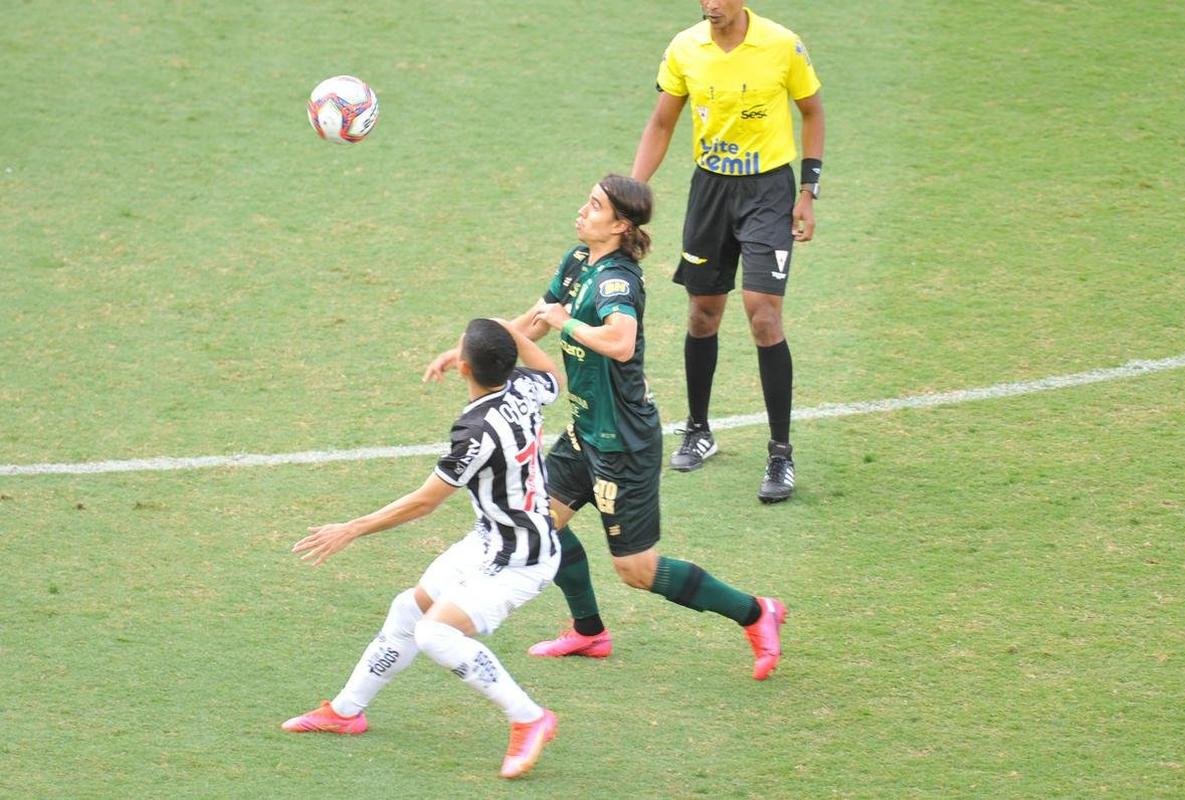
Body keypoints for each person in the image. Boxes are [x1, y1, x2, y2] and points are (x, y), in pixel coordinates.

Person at [424, 175, 787, 680]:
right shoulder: (578, 262)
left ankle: (756, 612)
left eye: (594, 206)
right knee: (536, 525)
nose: (582, 211)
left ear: (619, 225)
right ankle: (589, 631)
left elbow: (619, 342)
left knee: (636, 570)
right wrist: (470, 349)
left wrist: (565, 322)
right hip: (584, 431)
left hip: (625, 443)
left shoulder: (619, 281)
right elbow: (533, 321)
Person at [281, 318, 563, 780]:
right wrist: (506, 336)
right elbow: (551, 371)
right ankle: (347, 711)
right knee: (407, 611)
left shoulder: (476, 431)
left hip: (519, 561)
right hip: (494, 539)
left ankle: (529, 718)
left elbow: (425, 502)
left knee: (435, 633)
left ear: (464, 367)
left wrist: (351, 528)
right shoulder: (525, 388)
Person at [631, 0, 826, 503]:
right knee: (702, 314)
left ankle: (780, 453)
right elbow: (660, 124)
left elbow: (812, 111)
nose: (710, 4)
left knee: (763, 316)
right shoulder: (684, 47)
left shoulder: (782, 44)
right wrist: (631, 192)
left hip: (769, 193)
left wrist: (808, 192)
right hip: (710, 192)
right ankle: (699, 429)